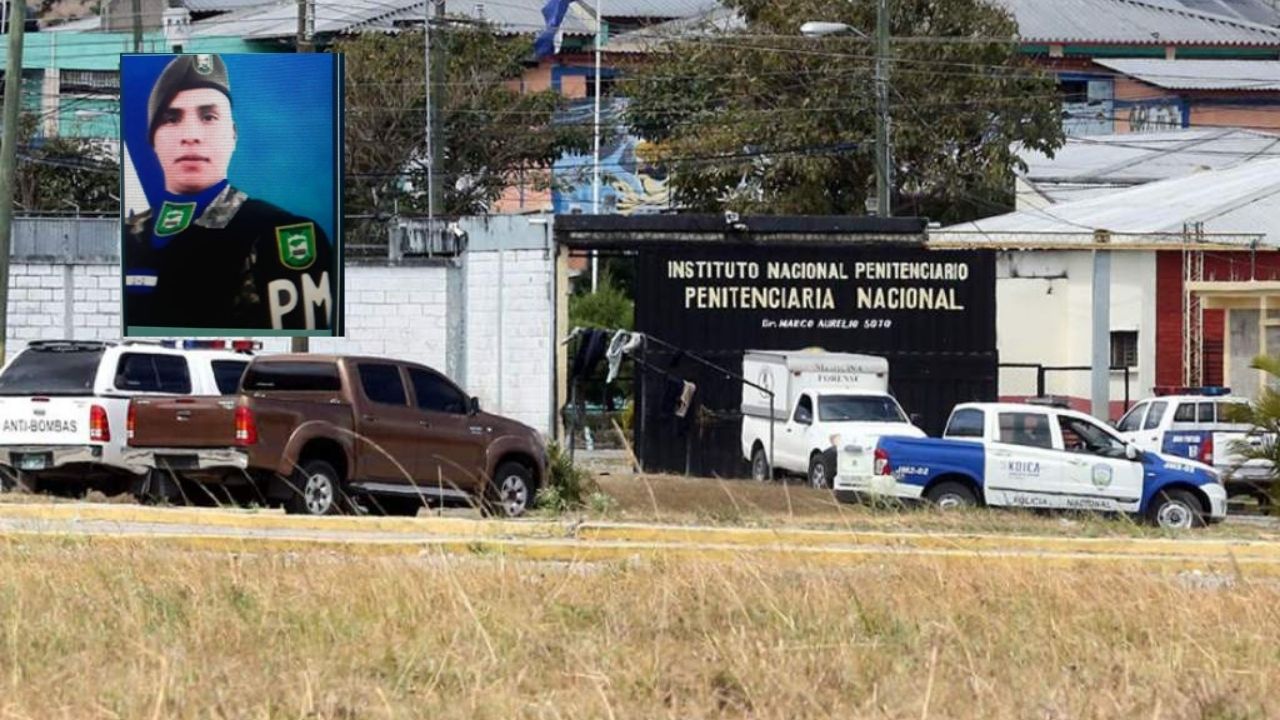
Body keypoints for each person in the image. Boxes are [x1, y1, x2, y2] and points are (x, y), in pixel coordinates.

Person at [123, 54, 335, 331]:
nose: (191, 135)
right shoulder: (129, 234)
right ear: (153, 138)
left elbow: (300, 340)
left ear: (233, 135)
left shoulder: (277, 232)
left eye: (208, 117)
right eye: (172, 119)